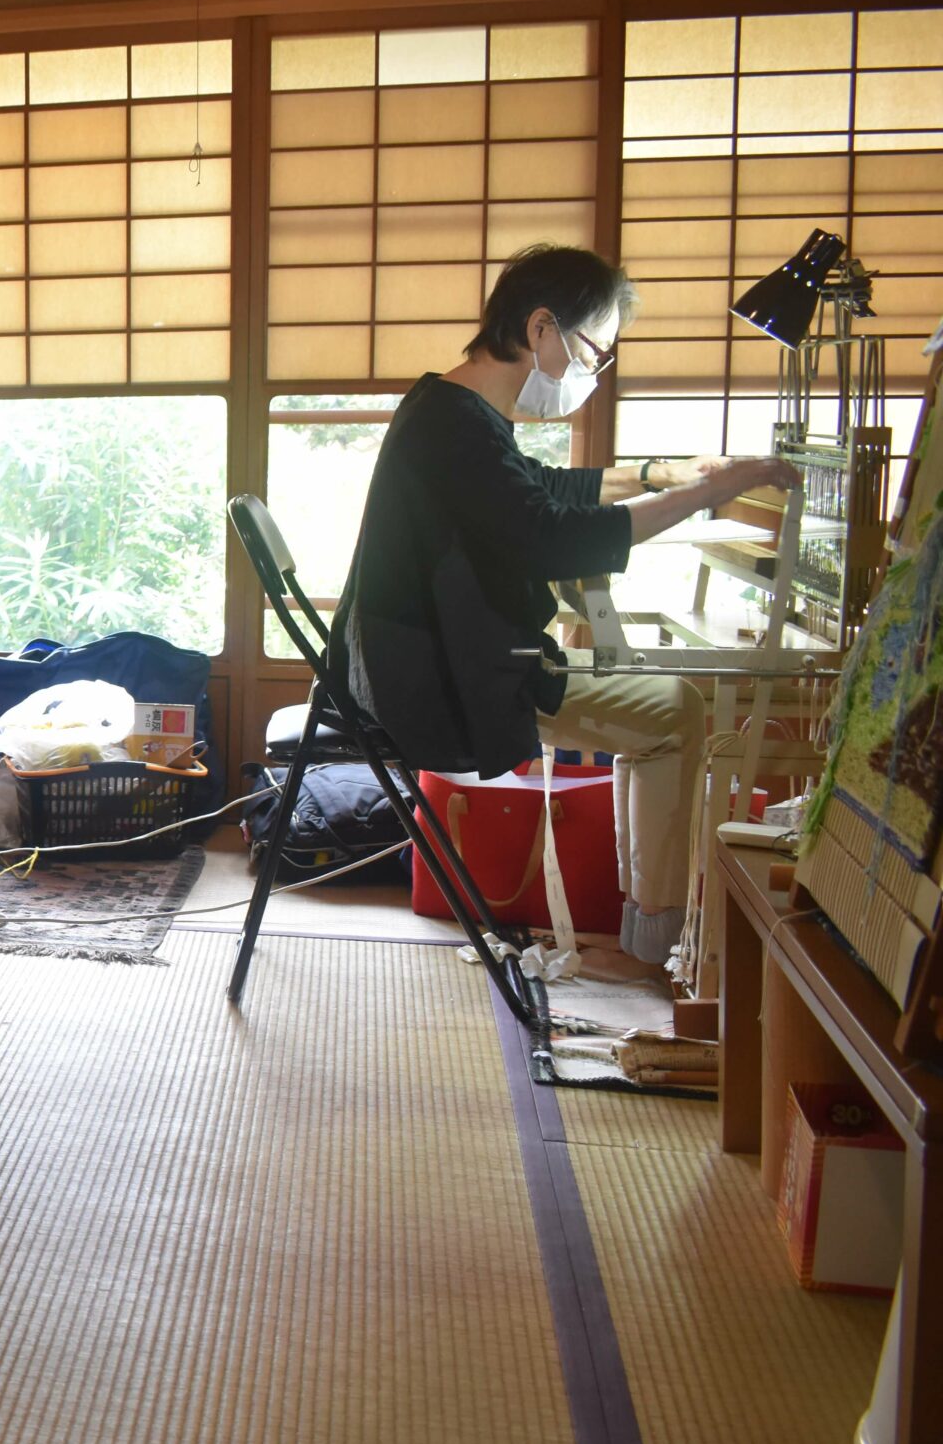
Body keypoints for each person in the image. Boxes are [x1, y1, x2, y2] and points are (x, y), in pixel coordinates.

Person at [326, 244, 800, 965]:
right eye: (591, 351)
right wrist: (704, 493)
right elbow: (547, 537)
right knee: (678, 712)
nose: (591, 373)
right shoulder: (456, 426)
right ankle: (658, 936)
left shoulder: (448, 408)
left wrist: (654, 473)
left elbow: (536, 488)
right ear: (541, 329)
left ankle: (650, 922)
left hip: (427, 655)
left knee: (666, 705)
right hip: (443, 677)